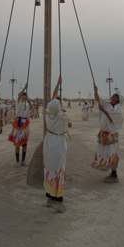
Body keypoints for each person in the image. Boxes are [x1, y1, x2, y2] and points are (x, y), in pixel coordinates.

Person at [43, 77, 72, 213]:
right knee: (58, 172)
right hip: (58, 144)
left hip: (48, 141)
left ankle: (49, 197)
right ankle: (58, 200)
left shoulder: (47, 113)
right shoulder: (63, 116)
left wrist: (57, 83)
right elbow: (68, 121)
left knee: (49, 169)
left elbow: (53, 98)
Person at [91, 84, 124, 183]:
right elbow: (97, 98)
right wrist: (96, 90)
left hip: (112, 134)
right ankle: (109, 171)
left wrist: (104, 111)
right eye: (113, 95)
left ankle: (114, 174)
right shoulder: (106, 103)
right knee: (104, 153)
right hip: (104, 133)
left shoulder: (118, 109)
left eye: (115, 96)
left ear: (118, 99)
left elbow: (113, 120)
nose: (113, 96)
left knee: (113, 153)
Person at [8, 83, 33, 168]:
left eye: (24, 95)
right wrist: (24, 89)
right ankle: (17, 161)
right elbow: (19, 97)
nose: (23, 96)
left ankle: (23, 160)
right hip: (18, 124)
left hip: (26, 123)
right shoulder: (18, 102)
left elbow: (31, 107)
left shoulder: (27, 103)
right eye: (22, 95)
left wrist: (28, 99)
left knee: (25, 143)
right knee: (17, 144)